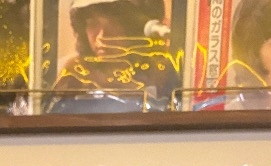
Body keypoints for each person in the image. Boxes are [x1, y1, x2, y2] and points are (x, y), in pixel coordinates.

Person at [47, 0, 180, 112]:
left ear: (134, 27)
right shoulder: (71, 73)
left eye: (113, 23)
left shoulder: (161, 72)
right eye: (93, 24)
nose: (102, 36)